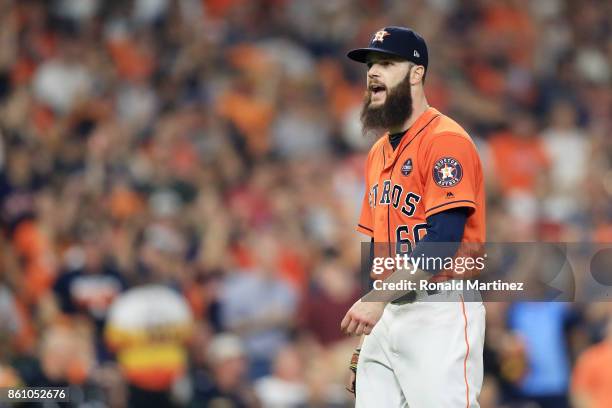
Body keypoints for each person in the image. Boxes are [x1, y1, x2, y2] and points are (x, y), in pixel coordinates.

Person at [340, 27, 486, 407]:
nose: (373, 73)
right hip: (387, 313)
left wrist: (376, 300)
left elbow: (441, 241)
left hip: (439, 311)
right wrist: (365, 337)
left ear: (416, 73)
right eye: (370, 65)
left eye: (386, 63)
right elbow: (377, 253)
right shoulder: (376, 153)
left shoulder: (445, 140)